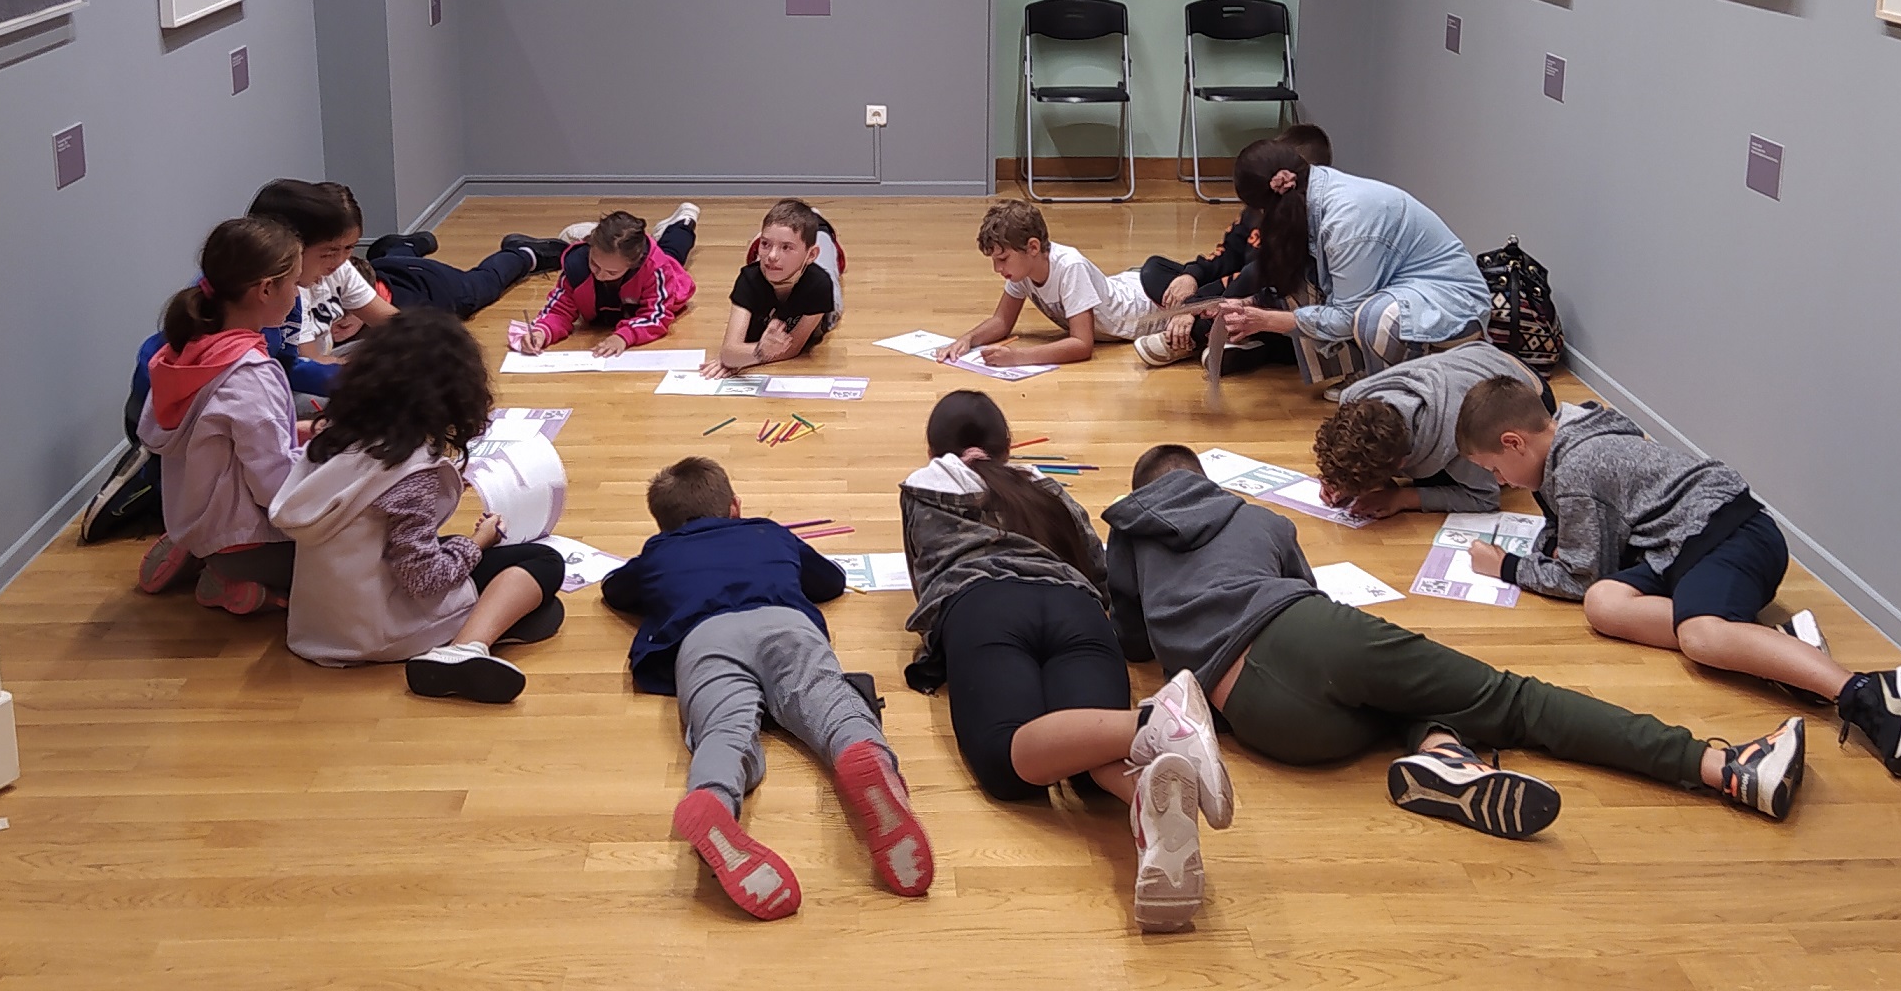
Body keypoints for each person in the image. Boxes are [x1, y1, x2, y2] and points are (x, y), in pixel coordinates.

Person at [1105, 445, 1812, 831]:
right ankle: (1723, 765)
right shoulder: (1259, 520)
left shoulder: (1128, 539)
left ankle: (1446, 759)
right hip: (1305, 635)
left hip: (1265, 724)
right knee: (1516, 701)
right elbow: (1313, 603)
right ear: (1203, 482)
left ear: (1143, 497)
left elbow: (1137, 647)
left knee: (1397, 705)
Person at [1455, 374, 1901, 777]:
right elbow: (1591, 570)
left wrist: (1508, 567)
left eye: (1495, 469)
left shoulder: (1577, 466)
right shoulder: (1571, 444)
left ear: (1515, 443)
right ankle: (1775, 646)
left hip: (1729, 534)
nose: (1499, 481)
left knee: (1700, 636)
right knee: (1605, 604)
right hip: (1681, 547)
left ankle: (1868, 692)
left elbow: (1579, 573)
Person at [900, 389, 1232, 931]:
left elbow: (923, 580)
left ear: (935, 450)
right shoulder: (1047, 487)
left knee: (1009, 764)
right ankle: (1146, 796)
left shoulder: (922, 488)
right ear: (1006, 446)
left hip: (985, 606)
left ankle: (1157, 721)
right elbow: (1098, 568)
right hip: (1077, 609)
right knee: (1086, 759)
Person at [600, 455, 932, 919]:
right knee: (830, 703)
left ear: (662, 525)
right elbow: (830, 581)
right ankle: (865, 756)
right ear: (734, 506)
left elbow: (615, 590)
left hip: (705, 636)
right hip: (784, 623)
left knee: (723, 730)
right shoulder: (767, 532)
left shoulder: (659, 551)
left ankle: (712, 798)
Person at [269, 310, 564, 702]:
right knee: (543, 563)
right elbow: (425, 579)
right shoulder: (411, 468)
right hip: (379, 632)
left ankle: (470, 638)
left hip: (318, 630)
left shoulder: (332, 439)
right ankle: (466, 647)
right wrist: (479, 541)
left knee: (540, 611)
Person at [1216, 141, 1491, 387]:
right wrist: (1253, 303)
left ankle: (1399, 397)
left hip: (1453, 307)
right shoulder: (1315, 190)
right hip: (1405, 292)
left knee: (1377, 318)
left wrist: (1266, 321)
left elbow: (1347, 317)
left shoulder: (1347, 221)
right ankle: (1366, 373)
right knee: (1292, 271)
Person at [135, 216, 303, 614]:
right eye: (295, 282)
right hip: (249, 541)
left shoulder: (183, 353)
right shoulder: (251, 375)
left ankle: (195, 547)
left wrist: (300, 432)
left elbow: (216, 439)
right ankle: (227, 577)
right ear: (266, 289)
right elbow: (277, 491)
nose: (298, 292)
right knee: (364, 554)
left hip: (200, 516)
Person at [248, 179, 546, 364]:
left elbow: (396, 324)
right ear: (293, 247)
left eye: (350, 250)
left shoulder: (337, 269)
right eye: (328, 253)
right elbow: (306, 367)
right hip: (415, 283)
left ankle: (405, 247)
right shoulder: (283, 293)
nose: (340, 261)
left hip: (411, 279)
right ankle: (521, 254)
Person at [1133, 125, 1334, 370]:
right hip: (1233, 295)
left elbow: (1262, 283)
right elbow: (1226, 256)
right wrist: (1191, 276)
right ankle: (1230, 341)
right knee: (1154, 270)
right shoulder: (1254, 210)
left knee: (1254, 272)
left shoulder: (1310, 224)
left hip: (1273, 311)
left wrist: (1192, 308)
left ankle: (1192, 335)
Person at [1312, 339, 1556, 517]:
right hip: (1471, 364)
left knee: (1432, 482)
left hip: (1526, 388)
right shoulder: (1355, 396)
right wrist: (1339, 479)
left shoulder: (1459, 438)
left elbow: (1484, 497)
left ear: (1400, 465)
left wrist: (1402, 498)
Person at [938, 198, 1151, 370]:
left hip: (1150, 306)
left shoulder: (1070, 266)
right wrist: (968, 339)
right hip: (1124, 284)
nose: (997, 269)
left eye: (1002, 259)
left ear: (1032, 247)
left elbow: (1082, 345)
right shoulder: (1022, 271)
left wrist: (1018, 357)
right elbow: (1002, 321)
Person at [510, 205, 699, 359]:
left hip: (667, 275)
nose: (600, 275)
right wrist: (542, 332)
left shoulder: (655, 268)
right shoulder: (577, 265)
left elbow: (656, 316)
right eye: (594, 264)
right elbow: (559, 310)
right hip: (612, 309)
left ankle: (683, 221)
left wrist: (623, 337)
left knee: (672, 252)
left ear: (634, 263)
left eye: (611, 272)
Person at [706, 199, 841, 375]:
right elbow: (728, 353)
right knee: (770, 260)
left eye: (786, 247)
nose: (772, 256)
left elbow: (793, 348)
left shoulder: (819, 284)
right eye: (765, 244)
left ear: (811, 255)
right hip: (780, 269)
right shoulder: (749, 279)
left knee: (829, 267)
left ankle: (819, 224)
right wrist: (756, 352)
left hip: (813, 274)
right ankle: (782, 233)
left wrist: (749, 356)